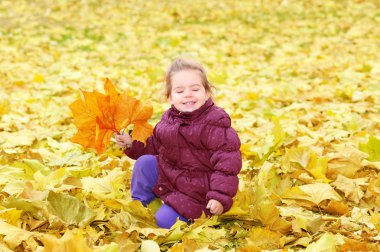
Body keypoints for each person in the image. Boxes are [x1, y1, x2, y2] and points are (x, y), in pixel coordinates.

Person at [115, 58, 242, 229]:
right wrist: (132, 143)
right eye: (180, 91)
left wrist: (218, 196)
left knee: (161, 223)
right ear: (170, 98)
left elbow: (227, 167)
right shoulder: (168, 119)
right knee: (145, 163)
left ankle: (175, 212)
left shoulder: (216, 124)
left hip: (198, 192)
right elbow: (153, 146)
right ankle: (139, 205)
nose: (188, 94)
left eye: (195, 89)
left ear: (207, 93)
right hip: (171, 177)